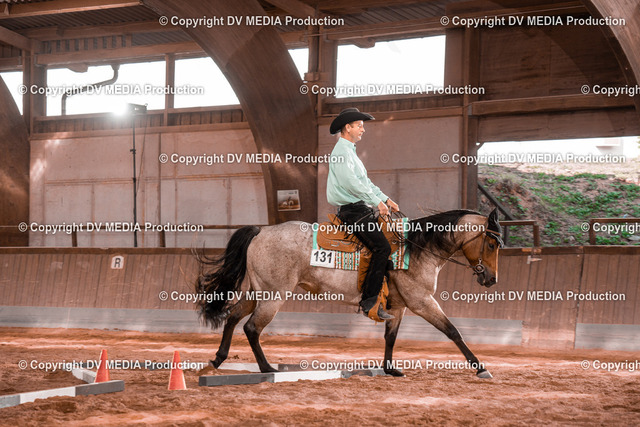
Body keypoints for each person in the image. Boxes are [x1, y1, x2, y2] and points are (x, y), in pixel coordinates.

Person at [326, 107, 399, 321]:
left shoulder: (349, 152)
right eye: (359, 126)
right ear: (347, 127)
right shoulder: (341, 152)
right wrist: (377, 202)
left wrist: (385, 198)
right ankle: (369, 302)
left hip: (360, 209)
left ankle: (386, 294)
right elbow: (351, 183)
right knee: (382, 248)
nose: (363, 130)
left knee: (388, 244)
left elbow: (365, 183)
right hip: (353, 212)